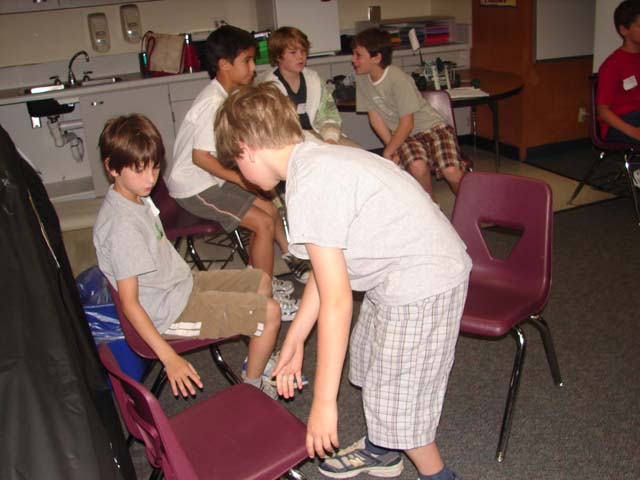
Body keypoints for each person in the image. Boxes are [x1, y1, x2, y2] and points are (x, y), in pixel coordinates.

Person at [214, 83, 472, 480]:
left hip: (423, 279)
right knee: (368, 360)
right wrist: (296, 337)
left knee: (398, 402)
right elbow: (324, 273)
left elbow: (337, 300)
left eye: (236, 165)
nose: (241, 176)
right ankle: (382, 449)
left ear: (246, 149)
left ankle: (437, 474)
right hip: (397, 269)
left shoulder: (310, 183)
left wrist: (323, 402)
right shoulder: (310, 154)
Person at [93, 114, 282, 399]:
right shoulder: (122, 228)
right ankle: (253, 392)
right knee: (270, 314)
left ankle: (256, 359)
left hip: (181, 285)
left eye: (155, 167)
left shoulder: (135, 196)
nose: (150, 179)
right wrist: (169, 358)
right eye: (139, 170)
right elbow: (131, 304)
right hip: (168, 313)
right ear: (112, 168)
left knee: (262, 282)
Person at [165, 25, 308, 314]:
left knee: (269, 209)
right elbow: (200, 158)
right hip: (194, 186)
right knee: (262, 223)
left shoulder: (226, 95)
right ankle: (263, 298)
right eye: (247, 61)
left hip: (210, 180)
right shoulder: (213, 103)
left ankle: (264, 279)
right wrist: (241, 180)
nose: (253, 68)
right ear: (224, 64)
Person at [352, 28, 465, 200]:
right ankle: (432, 209)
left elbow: (407, 123)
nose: (353, 60)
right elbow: (375, 118)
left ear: (376, 58)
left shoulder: (398, 79)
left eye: (358, 55)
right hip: (405, 137)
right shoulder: (362, 79)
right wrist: (392, 147)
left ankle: (470, 205)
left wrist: (388, 151)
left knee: (451, 171)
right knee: (417, 167)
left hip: (433, 128)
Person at [257, 26, 360, 147]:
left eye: (303, 51)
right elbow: (271, 128)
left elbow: (329, 114)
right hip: (288, 142)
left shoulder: (314, 79)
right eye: (293, 52)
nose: (300, 56)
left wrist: (330, 139)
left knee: (356, 149)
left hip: (318, 134)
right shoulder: (268, 87)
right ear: (278, 56)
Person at [597, 0, 640, 144]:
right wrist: (634, 132)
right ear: (624, 30)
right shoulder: (612, 65)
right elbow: (603, 112)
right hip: (620, 125)